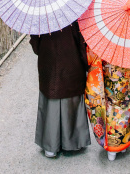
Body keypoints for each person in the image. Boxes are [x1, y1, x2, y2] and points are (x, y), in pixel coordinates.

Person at [30, 23, 92, 158]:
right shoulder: (73, 16)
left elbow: (36, 47)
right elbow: (82, 44)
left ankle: (50, 146)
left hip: (49, 66)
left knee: (50, 101)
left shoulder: (40, 17)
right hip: (72, 65)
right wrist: (87, 65)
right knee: (71, 101)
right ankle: (73, 142)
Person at [84, 47, 130, 161]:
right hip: (129, 73)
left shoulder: (107, 34)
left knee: (110, 108)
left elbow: (93, 56)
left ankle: (111, 148)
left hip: (109, 72)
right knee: (126, 108)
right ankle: (123, 142)